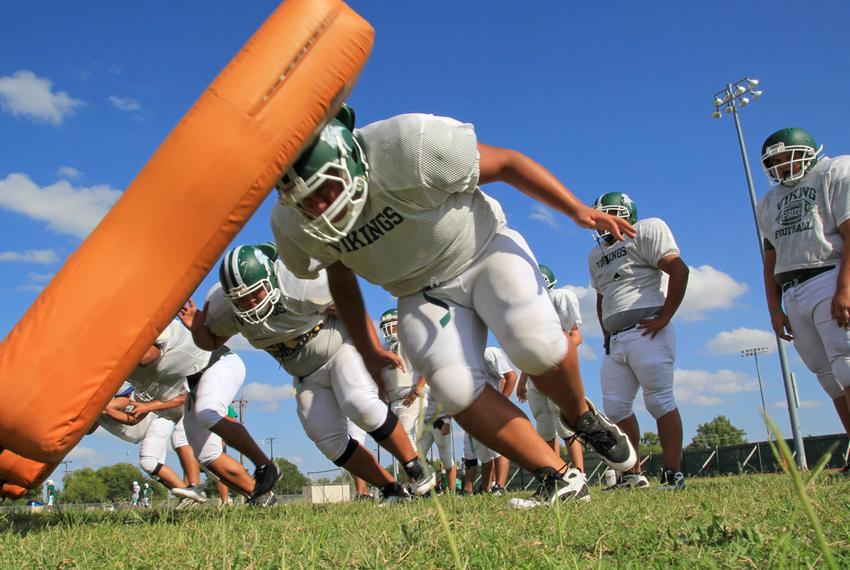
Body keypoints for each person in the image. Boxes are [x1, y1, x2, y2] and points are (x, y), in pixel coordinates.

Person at [271, 105, 637, 508]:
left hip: (481, 247)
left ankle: (580, 415)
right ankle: (557, 476)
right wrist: (371, 349)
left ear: (352, 161)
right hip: (418, 289)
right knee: (454, 389)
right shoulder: (291, 223)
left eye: (327, 190)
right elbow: (340, 277)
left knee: (535, 346)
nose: (322, 209)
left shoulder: (406, 147)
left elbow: (508, 164)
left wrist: (576, 209)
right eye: (308, 202)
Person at [179, 243, 435, 503]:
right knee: (327, 439)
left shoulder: (299, 283)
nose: (250, 304)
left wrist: (371, 351)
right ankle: (391, 489)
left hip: (338, 349)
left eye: (255, 294)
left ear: (271, 278)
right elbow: (211, 342)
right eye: (241, 299)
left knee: (359, 402)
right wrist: (197, 330)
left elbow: (350, 308)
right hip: (304, 373)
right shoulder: (225, 306)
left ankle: (415, 466)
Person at [757, 128, 850, 466]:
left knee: (847, 364)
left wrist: (845, 287)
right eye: (775, 162)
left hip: (829, 272)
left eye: (787, 157)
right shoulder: (767, 202)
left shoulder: (833, 172)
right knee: (827, 376)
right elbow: (769, 259)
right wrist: (774, 308)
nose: (782, 166)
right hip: (793, 287)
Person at [588, 192, 689, 490]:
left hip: (647, 329)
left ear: (626, 214)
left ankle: (673, 473)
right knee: (615, 408)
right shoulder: (594, 255)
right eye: (598, 216)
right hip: (616, 339)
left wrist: (665, 316)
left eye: (610, 213)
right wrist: (606, 332)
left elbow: (679, 269)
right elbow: (601, 296)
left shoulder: (645, 230)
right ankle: (632, 475)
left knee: (658, 399)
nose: (603, 222)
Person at [128, 319, 278, 505]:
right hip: (195, 385)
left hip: (217, 364)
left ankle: (266, 465)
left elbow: (147, 355)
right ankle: (260, 496)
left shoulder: (139, 321)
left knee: (208, 413)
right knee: (206, 455)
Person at [517, 265, 585, 473]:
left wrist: (556, 359)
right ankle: (558, 474)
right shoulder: (527, 310)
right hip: (536, 375)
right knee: (544, 428)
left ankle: (579, 473)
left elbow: (576, 336)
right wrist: (523, 380)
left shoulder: (559, 297)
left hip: (555, 371)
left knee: (565, 425)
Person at [98, 385, 206, 505]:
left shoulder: (102, 386)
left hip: (155, 418)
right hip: (142, 429)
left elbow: (125, 401)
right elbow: (88, 429)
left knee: (149, 462)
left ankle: (192, 495)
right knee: (153, 470)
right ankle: (189, 497)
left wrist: (100, 407)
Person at [379, 308, 427, 450]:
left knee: (408, 441)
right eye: (387, 327)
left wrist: (417, 390)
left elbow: (428, 364)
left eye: (392, 325)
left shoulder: (410, 341)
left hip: (410, 398)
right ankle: (423, 472)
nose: (389, 330)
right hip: (394, 401)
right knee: (402, 446)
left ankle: (421, 473)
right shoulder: (385, 347)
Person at [418, 388, 457, 493]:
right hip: (426, 422)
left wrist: (447, 422)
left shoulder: (444, 378)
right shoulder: (426, 377)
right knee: (417, 457)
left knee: (446, 460)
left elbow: (451, 401)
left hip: (440, 422)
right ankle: (425, 484)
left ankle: (452, 492)